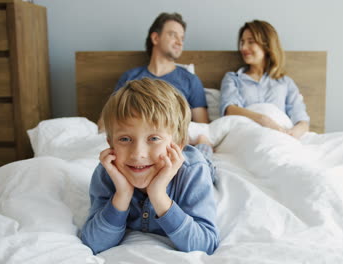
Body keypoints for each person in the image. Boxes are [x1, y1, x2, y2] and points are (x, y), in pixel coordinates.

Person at [82, 78, 219, 255]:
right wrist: (122, 194)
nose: (138, 154)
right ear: (110, 143)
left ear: (177, 143)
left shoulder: (194, 170)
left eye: (153, 138)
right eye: (125, 139)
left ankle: (203, 142)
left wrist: (158, 195)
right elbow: (94, 242)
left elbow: (206, 244)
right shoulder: (106, 172)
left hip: (193, 159)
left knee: (205, 158)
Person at [98, 12, 209, 131]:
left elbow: (202, 128)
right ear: (155, 38)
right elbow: (104, 123)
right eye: (173, 35)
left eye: (182, 38)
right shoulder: (130, 77)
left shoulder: (190, 80)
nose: (180, 42)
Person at [220, 20, 310, 139]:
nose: (243, 48)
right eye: (242, 42)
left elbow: (302, 120)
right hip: (248, 133)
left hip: (281, 134)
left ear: (267, 45)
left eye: (250, 42)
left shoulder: (285, 82)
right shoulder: (233, 78)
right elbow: (229, 110)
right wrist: (263, 120)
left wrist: (291, 134)